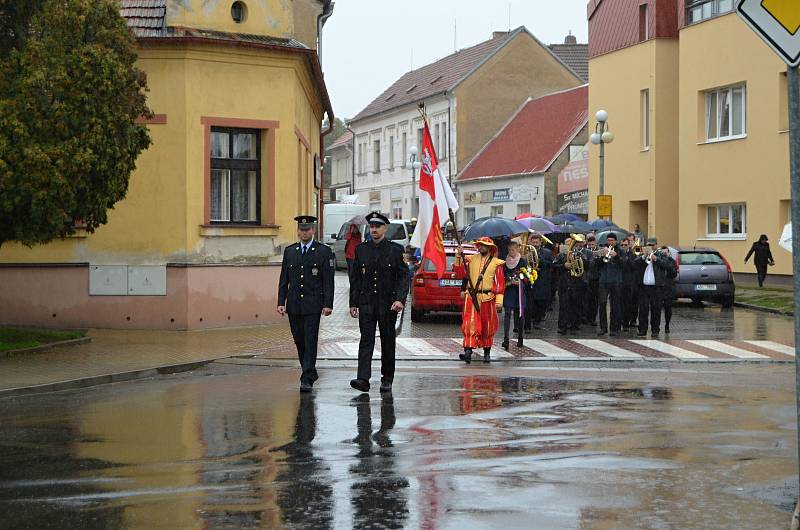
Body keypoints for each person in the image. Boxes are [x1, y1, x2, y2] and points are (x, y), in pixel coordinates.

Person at [349, 212, 409, 394]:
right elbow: (356, 278)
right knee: (366, 340)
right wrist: (354, 302)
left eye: (378, 226)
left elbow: (403, 277)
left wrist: (400, 299)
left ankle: (387, 378)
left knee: (387, 341)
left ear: (385, 228)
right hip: (367, 302)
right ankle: (363, 379)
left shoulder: (395, 250)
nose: (374, 230)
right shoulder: (361, 250)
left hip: (387, 303)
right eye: (372, 226)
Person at [277, 215, 335, 392]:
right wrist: (281, 301)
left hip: (313, 304)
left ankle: (307, 376)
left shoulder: (323, 251)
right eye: (301, 230)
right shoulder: (290, 251)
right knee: (299, 340)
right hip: (294, 303)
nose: (304, 232)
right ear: (298, 231)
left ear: (313, 231)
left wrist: (328, 303)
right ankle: (309, 370)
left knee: (310, 339)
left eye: (307, 229)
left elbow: (328, 280)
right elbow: (284, 278)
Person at [454, 236, 506, 364]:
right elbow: (459, 273)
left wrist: (499, 301)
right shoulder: (470, 260)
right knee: (469, 324)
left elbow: (499, 283)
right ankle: (468, 352)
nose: (481, 247)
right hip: (472, 297)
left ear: (489, 248)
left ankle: (486, 353)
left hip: (488, 299)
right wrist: (458, 256)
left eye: (483, 245)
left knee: (487, 325)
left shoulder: (497, 263)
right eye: (479, 245)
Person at [634, 237, 674, 337]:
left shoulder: (661, 254)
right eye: (649, 245)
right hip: (644, 287)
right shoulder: (643, 254)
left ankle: (655, 330)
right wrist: (644, 257)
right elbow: (635, 263)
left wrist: (656, 259)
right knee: (643, 309)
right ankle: (642, 329)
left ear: (656, 245)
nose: (651, 247)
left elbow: (668, 265)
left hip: (657, 287)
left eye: (652, 245)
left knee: (656, 309)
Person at [553, 237, 584, 335]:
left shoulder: (579, 254)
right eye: (568, 244)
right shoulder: (561, 255)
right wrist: (564, 265)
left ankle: (574, 326)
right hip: (564, 283)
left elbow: (587, 265)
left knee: (575, 306)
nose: (570, 246)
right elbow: (553, 266)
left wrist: (577, 262)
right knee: (563, 306)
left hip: (576, 283)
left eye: (572, 244)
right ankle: (562, 327)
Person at [595, 233, 623, 337]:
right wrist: (601, 257)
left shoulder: (620, 251)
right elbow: (597, 265)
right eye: (608, 240)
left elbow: (624, 264)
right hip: (603, 280)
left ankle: (614, 328)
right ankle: (603, 328)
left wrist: (616, 256)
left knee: (615, 305)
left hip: (616, 281)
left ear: (616, 241)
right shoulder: (603, 250)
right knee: (602, 304)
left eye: (612, 240)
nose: (610, 242)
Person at [501, 241, 527, 350]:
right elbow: (502, 275)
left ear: (518, 250)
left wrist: (520, 281)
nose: (511, 252)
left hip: (519, 291)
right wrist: (508, 281)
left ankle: (520, 337)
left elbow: (526, 276)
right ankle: (506, 339)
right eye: (509, 250)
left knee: (519, 315)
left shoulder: (522, 261)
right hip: (509, 291)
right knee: (507, 314)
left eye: (513, 249)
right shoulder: (504, 262)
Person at [527, 233, 552, 330]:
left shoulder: (547, 252)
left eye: (537, 242)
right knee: (531, 302)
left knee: (541, 302)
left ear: (540, 242)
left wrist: (539, 261)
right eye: (533, 242)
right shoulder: (528, 251)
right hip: (531, 279)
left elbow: (550, 264)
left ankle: (537, 320)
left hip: (542, 279)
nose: (535, 244)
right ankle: (529, 322)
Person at [660, 246, 678, 334]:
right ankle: (656, 326)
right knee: (656, 308)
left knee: (668, 308)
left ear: (668, 252)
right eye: (662, 253)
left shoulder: (672, 261)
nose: (664, 254)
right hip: (659, 287)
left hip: (669, 287)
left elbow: (674, 274)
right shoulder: (658, 260)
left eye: (665, 252)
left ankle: (667, 325)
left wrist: (667, 261)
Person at [582, 235, 600, 326]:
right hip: (586, 277)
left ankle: (592, 318)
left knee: (594, 300)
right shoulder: (584, 251)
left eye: (593, 244)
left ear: (595, 243)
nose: (591, 247)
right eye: (589, 245)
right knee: (585, 299)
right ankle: (584, 317)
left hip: (596, 278)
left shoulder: (600, 250)